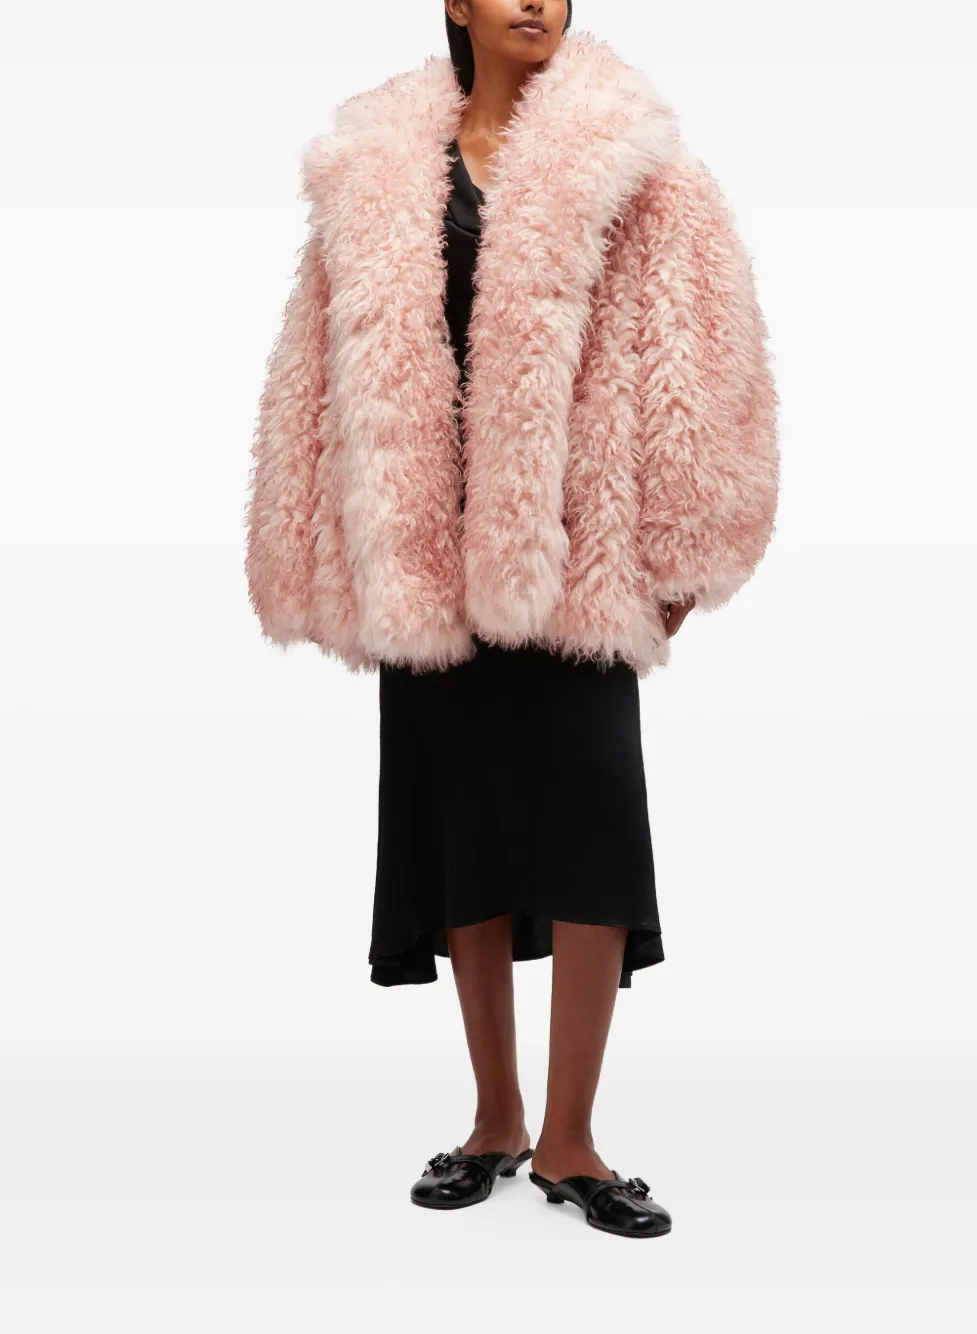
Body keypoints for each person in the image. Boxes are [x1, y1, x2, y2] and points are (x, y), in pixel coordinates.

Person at [245, 0, 779, 1241]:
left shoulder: (638, 159)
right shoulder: (376, 170)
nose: (535, 0)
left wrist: (680, 546)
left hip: (578, 551)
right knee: (459, 828)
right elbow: (313, 368)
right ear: (456, 4)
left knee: (595, 826)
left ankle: (572, 1137)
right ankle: (494, 1115)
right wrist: (317, 543)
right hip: (427, 555)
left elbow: (705, 352)